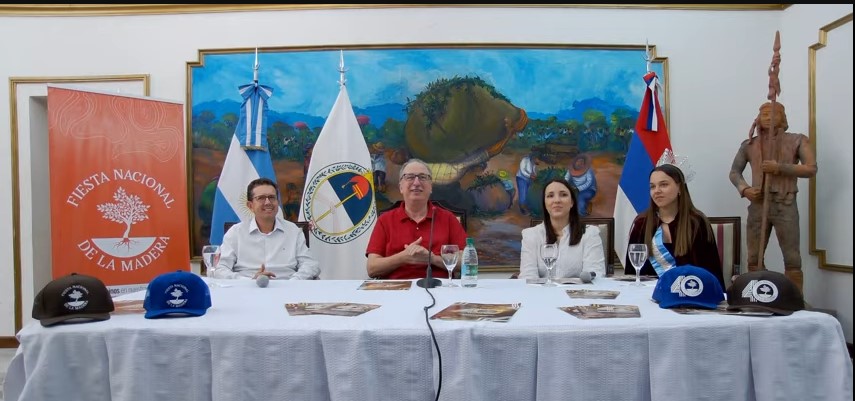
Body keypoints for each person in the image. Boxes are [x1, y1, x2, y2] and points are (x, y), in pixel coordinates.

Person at [729, 102, 816, 292]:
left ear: (783, 119)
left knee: (792, 257)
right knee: (754, 257)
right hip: (758, 204)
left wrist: (780, 167)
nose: (768, 117)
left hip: (785, 203)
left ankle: (794, 297)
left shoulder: (797, 140)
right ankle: (760, 293)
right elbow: (735, 172)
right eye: (764, 113)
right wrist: (745, 190)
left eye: (773, 113)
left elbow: (811, 168)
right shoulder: (749, 145)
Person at [365, 159, 467, 279]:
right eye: (410, 177)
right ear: (401, 187)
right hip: (396, 291)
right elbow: (372, 268)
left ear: (431, 187)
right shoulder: (385, 220)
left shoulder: (448, 218)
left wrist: (432, 258)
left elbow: (466, 262)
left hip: (439, 290)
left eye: (423, 177)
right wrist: (403, 257)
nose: (416, 182)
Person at [625, 164, 724, 288]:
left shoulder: (697, 223)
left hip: (690, 294)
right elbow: (632, 274)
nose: (657, 191)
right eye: (652, 186)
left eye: (664, 184)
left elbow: (710, 271)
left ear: (680, 188)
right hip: (649, 295)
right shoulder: (641, 223)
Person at [214, 178, 320, 280]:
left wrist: (293, 282)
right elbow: (220, 269)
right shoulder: (235, 233)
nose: (268, 202)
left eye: (272, 197)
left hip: (287, 290)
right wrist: (248, 281)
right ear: (250, 205)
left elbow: (310, 265)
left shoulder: (293, 231)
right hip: (247, 291)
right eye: (261, 198)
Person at [519, 178, 605, 280]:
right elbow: (527, 277)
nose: (557, 200)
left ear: (572, 202)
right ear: (545, 204)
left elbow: (595, 275)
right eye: (550, 196)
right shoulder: (531, 235)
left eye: (563, 195)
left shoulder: (590, 233)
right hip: (541, 294)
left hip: (578, 294)